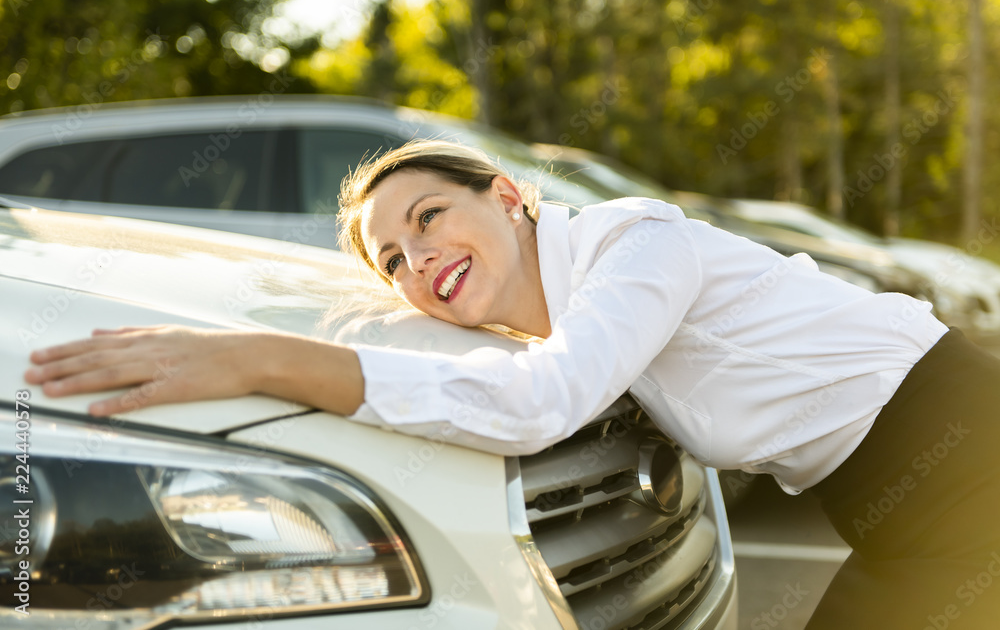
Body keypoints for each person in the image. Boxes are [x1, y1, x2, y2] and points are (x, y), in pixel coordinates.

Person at [23, 140, 1000, 628]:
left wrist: (257, 358)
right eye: (393, 259)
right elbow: (512, 376)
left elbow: (540, 404)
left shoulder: (635, 240)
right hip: (889, 500)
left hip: (967, 454)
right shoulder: (560, 316)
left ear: (509, 192)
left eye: (430, 215)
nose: (418, 258)